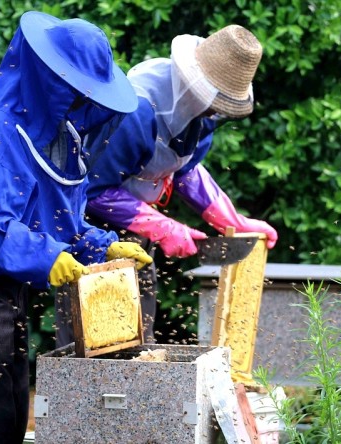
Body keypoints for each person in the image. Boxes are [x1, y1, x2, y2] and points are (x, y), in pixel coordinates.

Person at [0, 11, 152, 444]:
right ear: (48, 79)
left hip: (6, 283)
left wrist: (103, 248)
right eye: (72, 88)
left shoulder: (61, 140)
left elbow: (60, 223)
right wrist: (45, 257)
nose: (80, 100)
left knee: (13, 409)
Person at [85, 24, 278, 343]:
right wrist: (163, 227)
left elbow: (186, 169)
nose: (217, 112)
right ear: (196, 85)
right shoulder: (137, 111)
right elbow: (93, 190)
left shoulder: (204, 115)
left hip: (135, 226)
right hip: (92, 230)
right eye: (215, 103)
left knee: (137, 333)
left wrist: (232, 220)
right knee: (101, 339)